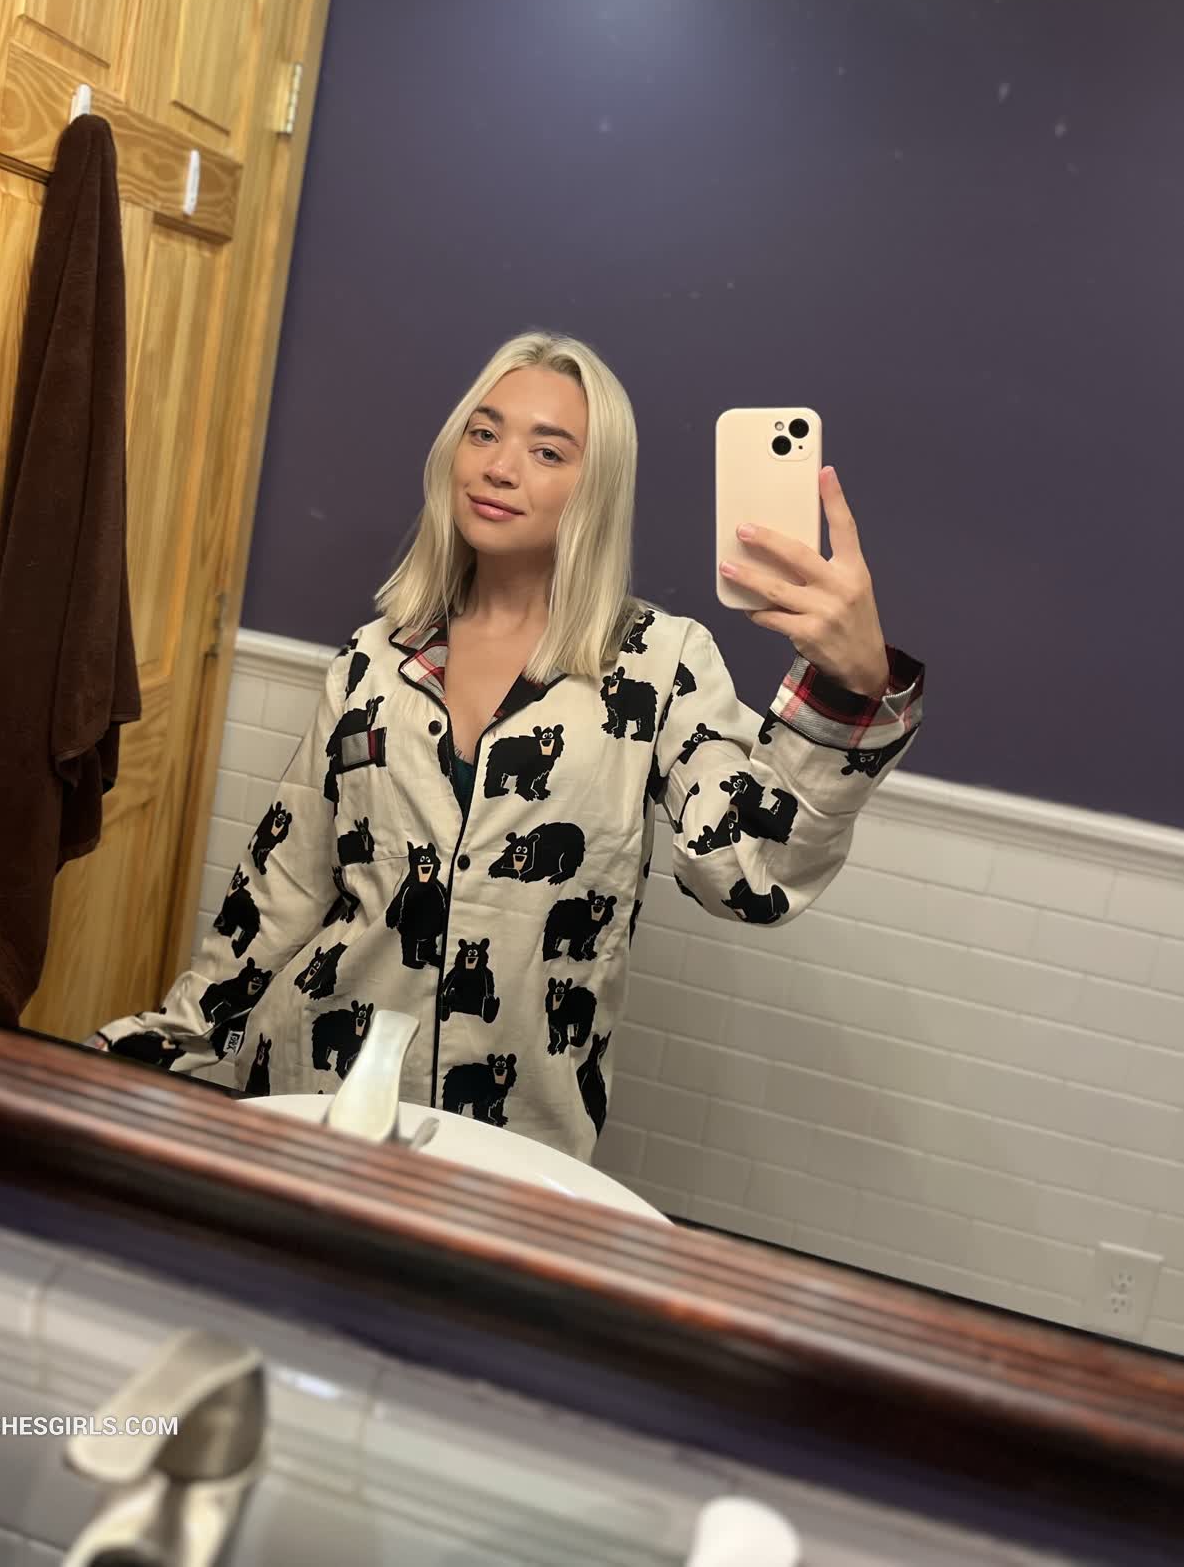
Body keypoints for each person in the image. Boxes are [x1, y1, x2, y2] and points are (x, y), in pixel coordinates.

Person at [91, 331, 924, 1162]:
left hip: (517, 1138)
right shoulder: (372, 661)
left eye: (547, 451)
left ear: (596, 487)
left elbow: (751, 873)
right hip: (317, 1093)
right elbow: (278, 895)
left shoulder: (657, 665)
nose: (498, 467)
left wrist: (851, 688)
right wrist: (142, 1056)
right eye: (483, 433)